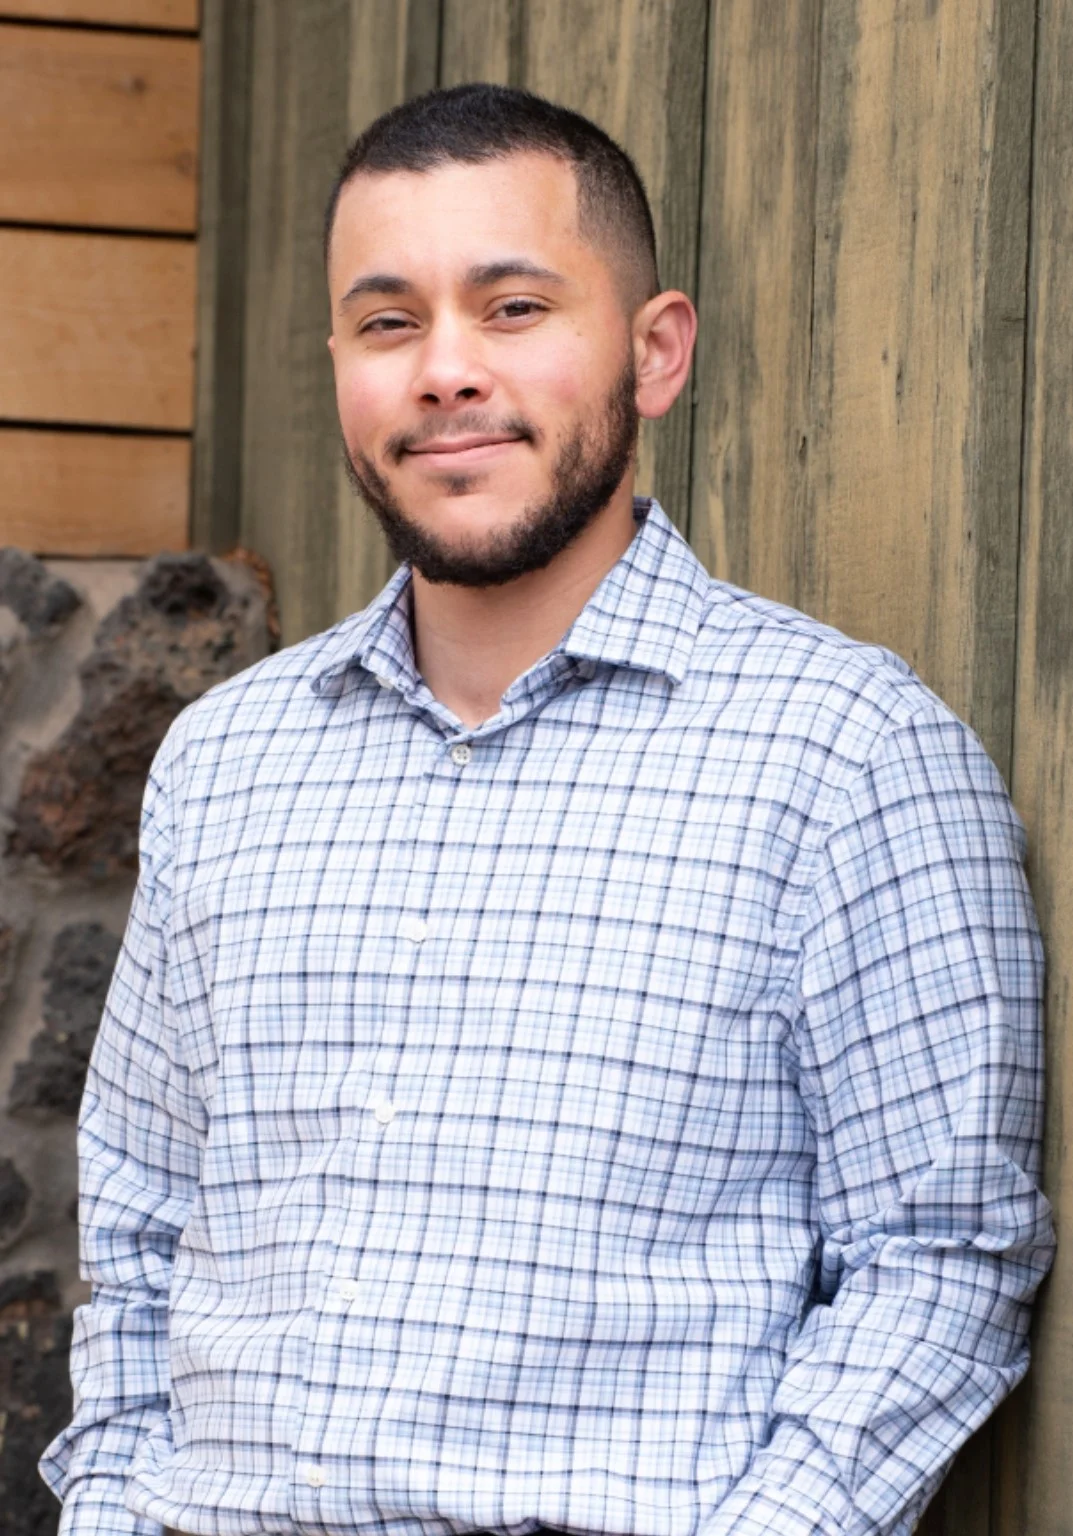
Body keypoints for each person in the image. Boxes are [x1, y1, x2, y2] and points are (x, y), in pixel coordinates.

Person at [42, 84, 1053, 1536]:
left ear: (656, 352)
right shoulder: (225, 763)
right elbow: (139, 1233)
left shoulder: (848, 757)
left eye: (513, 309)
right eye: (388, 323)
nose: (445, 371)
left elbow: (940, 1259)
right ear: (340, 368)